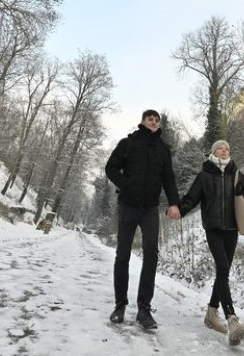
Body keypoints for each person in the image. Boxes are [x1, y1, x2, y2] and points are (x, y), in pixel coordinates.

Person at [104, 109, 181, 329]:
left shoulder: (164, 150)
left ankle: (144, 310)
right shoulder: (128, 143)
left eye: (157, 120)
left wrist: (174, 203)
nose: (154, 122)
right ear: (142, 122)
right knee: (123, 255)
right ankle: (120, 306)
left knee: (151, 255)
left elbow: (169, 178)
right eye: (150, 119)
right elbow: (110, 168)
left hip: (150, 209)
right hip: (128, 205)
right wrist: (125, 184)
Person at [179, 139, 244, 346]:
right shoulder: (204, 175)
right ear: (213, 152)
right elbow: (191, 199)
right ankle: (232, 320)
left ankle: (211, 314)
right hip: (213, 229)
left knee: (223, 272)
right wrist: (179, 210)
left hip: (232, 229)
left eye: (227, 148)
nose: (224, 150)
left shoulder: (235, 172)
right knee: (222, 267)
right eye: (220, 148)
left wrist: (241, 190)